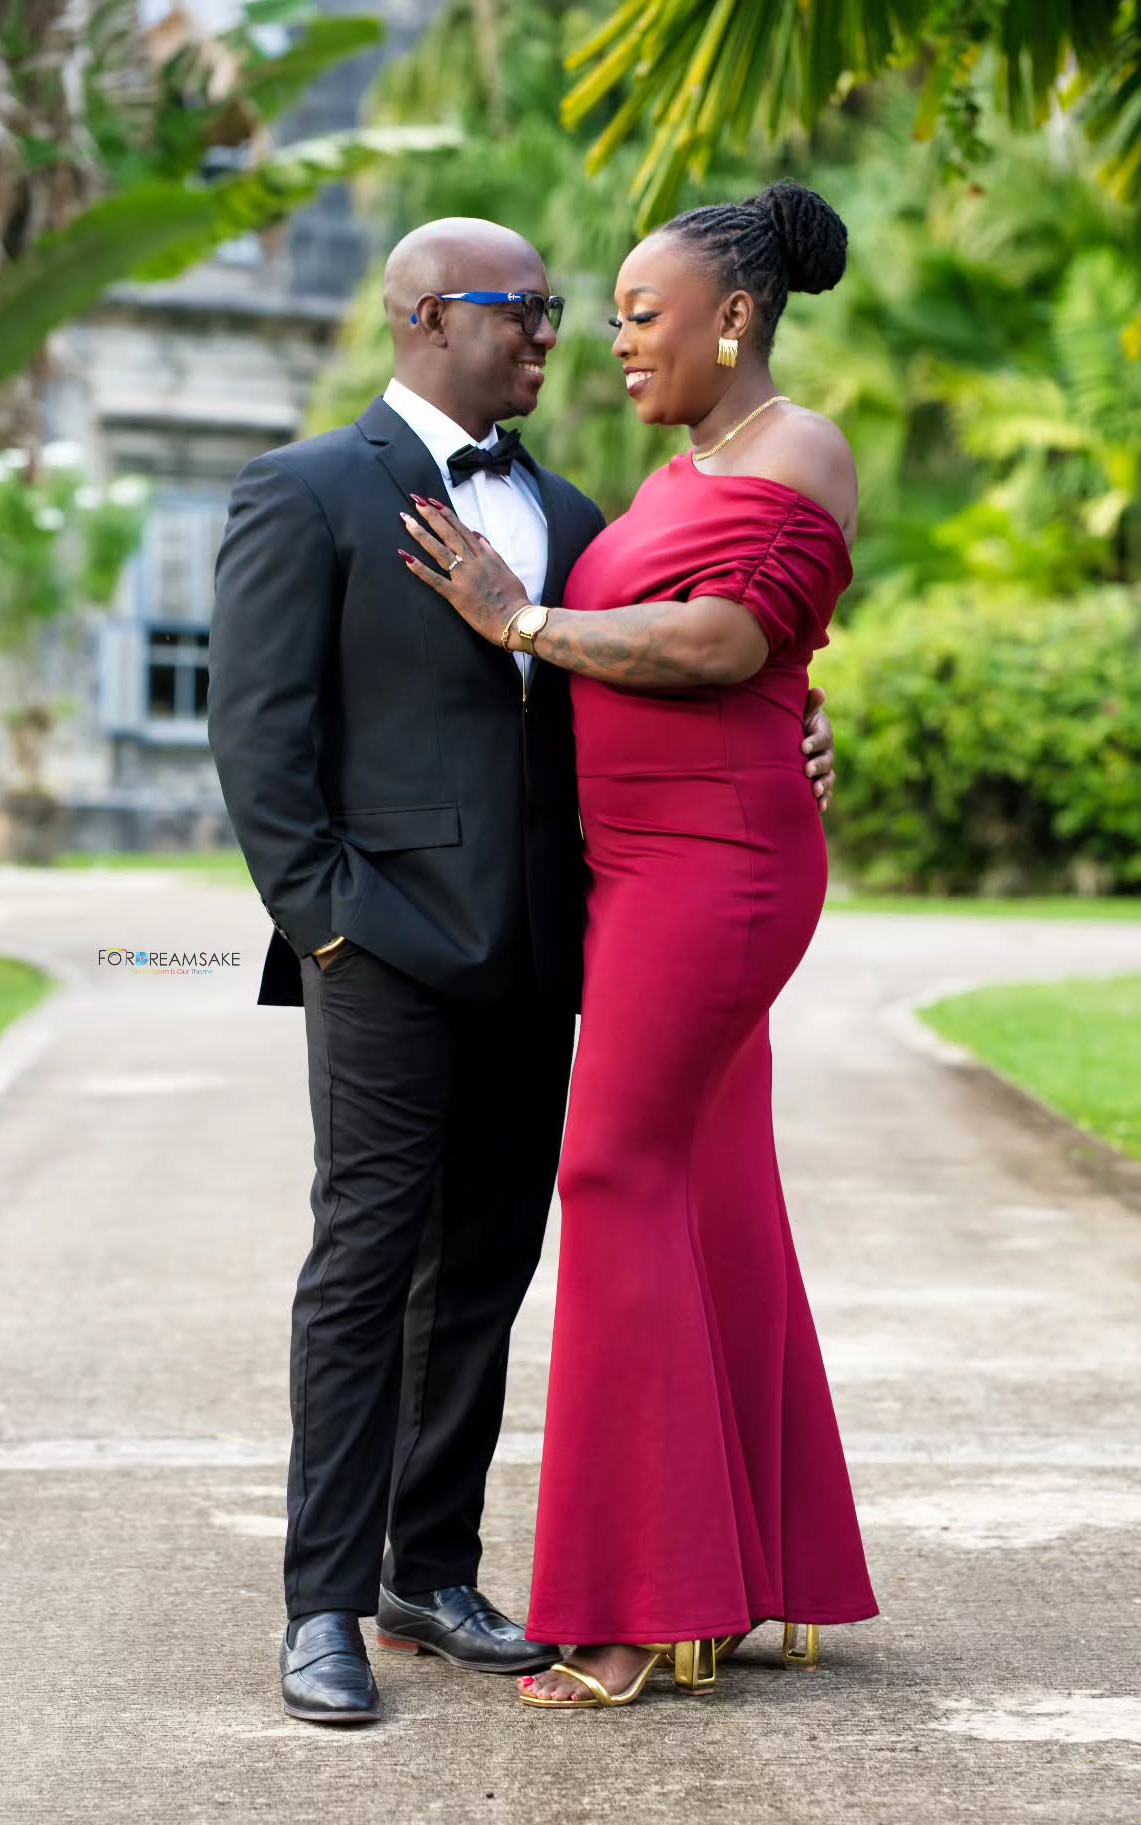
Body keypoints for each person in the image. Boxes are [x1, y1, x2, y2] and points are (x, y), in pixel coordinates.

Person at [208, 218, 838, 1725]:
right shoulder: (305, 492)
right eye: (529, 309)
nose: (556, 335)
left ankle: (432, 1567)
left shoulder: (572, 509)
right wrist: (332, 924)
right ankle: (322, 1606)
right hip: (380, 951)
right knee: (362, 1272)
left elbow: (663, 670)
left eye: (574, 311)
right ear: (431, 315)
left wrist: (793, 726)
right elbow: (260, 748)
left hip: (553, 952)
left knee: (486, 1268)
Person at [395, 182, 877, 1711]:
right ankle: (743, 1578)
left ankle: (631, 1607)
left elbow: (728, 644)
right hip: (653, 869)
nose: (609, 343)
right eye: (606, 317)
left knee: (610, 1174)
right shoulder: (690, 466)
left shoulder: (796, 446)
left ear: (735, 319)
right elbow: (768, 664)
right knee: (710, 1183)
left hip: (712, 873)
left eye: (637, 314)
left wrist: (517, 619)